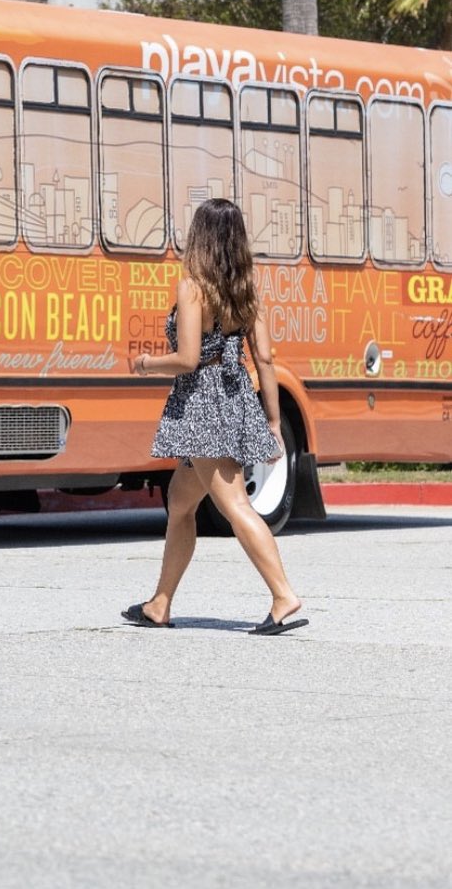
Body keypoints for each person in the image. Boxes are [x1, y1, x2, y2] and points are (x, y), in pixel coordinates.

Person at [122, 198, 307, 636]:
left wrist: (147, 363)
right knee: (181, 501)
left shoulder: (193, 288)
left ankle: (283, 595)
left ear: (200, 238)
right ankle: (160, 603)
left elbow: (187, 359)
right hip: (235, 397)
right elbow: (263, 358)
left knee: (234, 505)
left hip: (202, 404)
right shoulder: (246, 290)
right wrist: (273, 423)